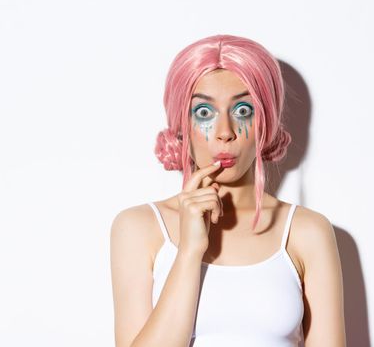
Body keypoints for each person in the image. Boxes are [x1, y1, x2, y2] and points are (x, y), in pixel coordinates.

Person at [110, 34, 346, 347]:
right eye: (205, 113)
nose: (225, 133)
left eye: (243, 110)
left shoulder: (306, 231)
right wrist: (190, 251)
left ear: (266, 123)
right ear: (182, 125)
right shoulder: (139, 227)